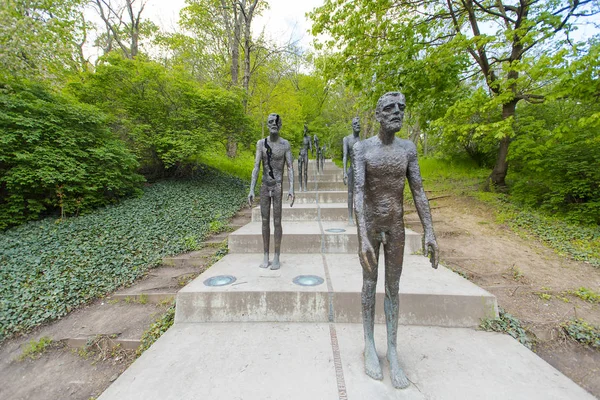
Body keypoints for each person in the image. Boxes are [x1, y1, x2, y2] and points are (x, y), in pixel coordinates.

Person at [353, 92, 439, 389]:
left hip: (396, 227)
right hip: (371, 224)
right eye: (389, 108)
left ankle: (391, 349)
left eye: (401, 108)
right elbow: (358, 193)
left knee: (393, 287)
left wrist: (429, 230)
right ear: (377, 114)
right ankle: (368, 345)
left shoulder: (408, 149)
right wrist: (362, 235)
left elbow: (418, 190)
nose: (397, 113)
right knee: (369, 283)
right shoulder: (362, 148)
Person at [248, 113, 295, 270]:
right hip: (264, 185)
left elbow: (289, 167)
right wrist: (251, 188)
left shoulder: (285, 144)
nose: (273, 124)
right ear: (267, 125)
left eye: (276, 122)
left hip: (277, 186)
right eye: (270, 122)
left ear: (280, 125)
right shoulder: (261, 144)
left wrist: (292, 188)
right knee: (264, 221)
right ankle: (265, 254)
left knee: (276, 221)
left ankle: (276, 255)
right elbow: (256, 166)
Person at [342, 117, 361, 224]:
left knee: (361, 193)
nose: (358, 125)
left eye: (359, 124)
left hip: (361, 170)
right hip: (352, 169)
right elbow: (345, 156)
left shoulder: (362, 141)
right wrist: (344, 172)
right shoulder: (347, 139)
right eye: (355, 124)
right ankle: (350, 216)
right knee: (350, 193)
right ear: (352, 126)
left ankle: (360, 216)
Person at [299, 125, 311, 191]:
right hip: (300, 155)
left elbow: (310, 146)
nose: (304, 130)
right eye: (303, 129)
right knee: (300, 171)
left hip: (306, 154)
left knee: (305, 171)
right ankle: (300, 186)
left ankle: (305, 186)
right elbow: (295, 146)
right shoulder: (299, 138)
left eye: (305, 129)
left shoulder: (308, 138)